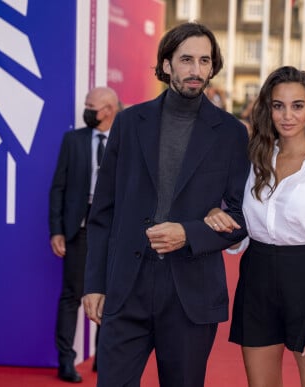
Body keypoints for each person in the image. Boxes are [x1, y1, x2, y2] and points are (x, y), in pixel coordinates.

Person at [82, 22, 250, 387]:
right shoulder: (128, 123)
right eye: (186, 60)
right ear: (167, 64)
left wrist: (188, 233)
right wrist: (94, 283)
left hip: (190, 293)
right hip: (127, 287)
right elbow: (103, 213)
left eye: (204, 61)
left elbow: (241, 216)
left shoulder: (232, 133)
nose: (196, 70)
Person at [204, 66, 305, 387]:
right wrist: (218, 219)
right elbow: (240, 228)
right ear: (268, 108)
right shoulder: (254, 160)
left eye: (297, 105)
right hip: (257, 281)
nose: (287, 115)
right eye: (278, 105)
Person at [49, 86, 120, 383]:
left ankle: (104, 359)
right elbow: (58, 188)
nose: (87, 109)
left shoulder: (125, 140)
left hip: (114, 229)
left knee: (112, 296)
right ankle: (66, 361)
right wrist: (57, 230)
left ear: (108, 111)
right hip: (78, 227)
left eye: (92, 105)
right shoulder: (73, 140)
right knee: (71, 296)